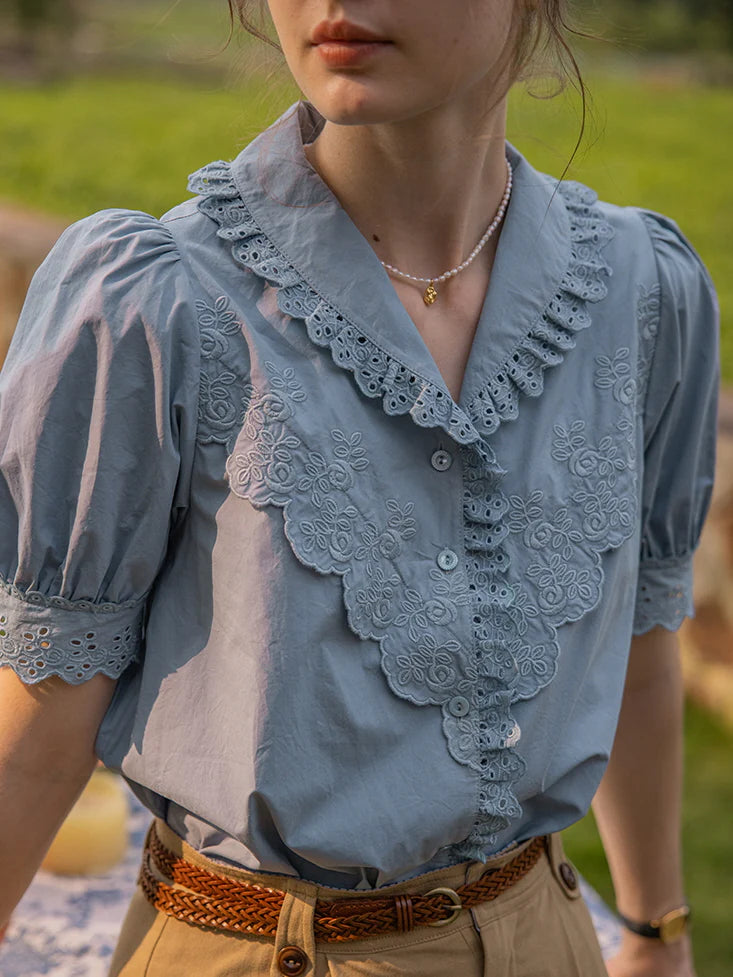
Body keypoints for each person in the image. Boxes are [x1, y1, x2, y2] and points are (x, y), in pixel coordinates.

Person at [0, 1, 718, 975]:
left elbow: (641, 644)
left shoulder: (644, 295)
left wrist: (654, 927)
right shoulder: (154, 307)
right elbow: (44, 711)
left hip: (547, 937)